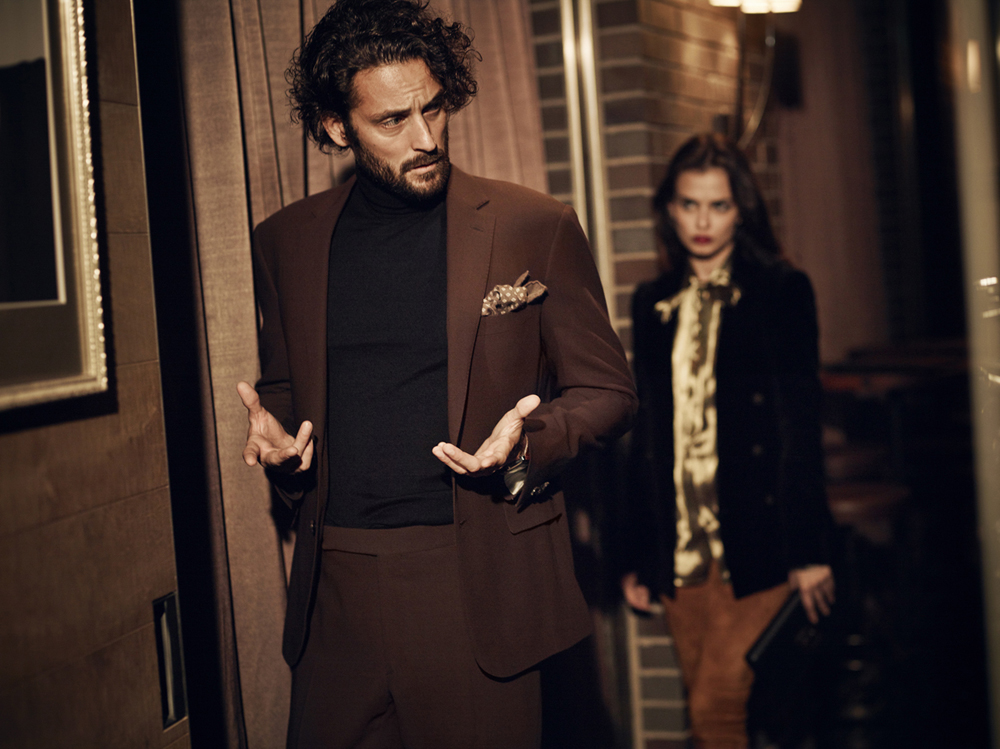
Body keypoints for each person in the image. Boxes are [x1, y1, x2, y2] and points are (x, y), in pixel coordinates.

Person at [236, 0, 637, 745]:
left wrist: (528, 441)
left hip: (474, 580)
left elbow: (608, 392)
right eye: (392, 120)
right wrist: (281, 445)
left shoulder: (531, 224)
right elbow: (289, 388)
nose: (425, 138)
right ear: (336, 127)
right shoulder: (286, 242)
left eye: (434, 107)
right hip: (335, 593)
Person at [620, 133, 836, 748]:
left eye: (718, 206)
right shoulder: (652, 302)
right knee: (707, 710)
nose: (702, 222)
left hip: (759, 540)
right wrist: (638, 554)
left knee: (716, 708)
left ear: (741, 210)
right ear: (669, 209)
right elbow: (646, 434)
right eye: (689, 205)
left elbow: (800, 425)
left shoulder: (782, 291)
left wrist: (809, 549)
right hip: (680, 547)